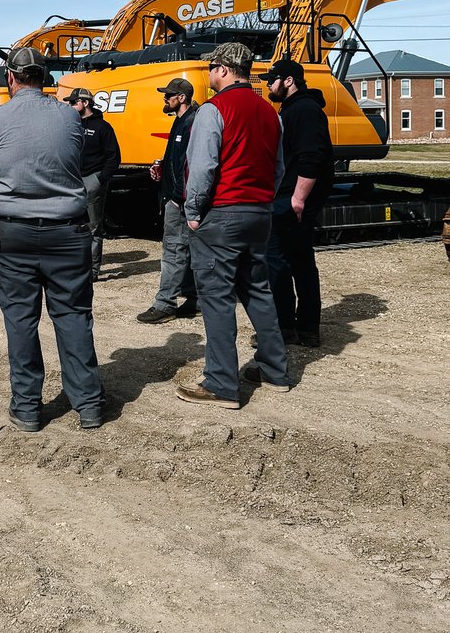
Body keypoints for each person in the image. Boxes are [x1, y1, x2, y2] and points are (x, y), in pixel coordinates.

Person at [0, 47, 105, 432]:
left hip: (12, 233)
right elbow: (73, 159)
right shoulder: (68, 114)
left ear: (10, 78)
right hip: (68, 232)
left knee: (20, 319)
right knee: (73, 317)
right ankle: (89, 406)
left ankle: (28, 408)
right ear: (44, 77)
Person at [178, 42, 290, 409]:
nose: (208, 75)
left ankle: (222, 384)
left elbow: (203, 166)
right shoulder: (270, 113)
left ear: (224, 69)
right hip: (259, 212)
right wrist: (263, 200)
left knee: (216, 297)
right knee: (257, 290)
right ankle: (275, 370)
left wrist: (193, 210)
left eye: (211, 68)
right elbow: (278, 168)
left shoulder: (214, 110)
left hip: (222, 213)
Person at [263, 59, 334, 349]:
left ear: (289, 80)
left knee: (280, 263)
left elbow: (311, 156)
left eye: (272, 79)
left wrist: (298, 198)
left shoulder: (304, 110)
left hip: (293, 200)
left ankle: (289, 328)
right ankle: (302, 329)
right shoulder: (294, 108)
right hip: (290, 197)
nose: (268, 84)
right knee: (299, 262)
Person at [137, 78, 200, 323]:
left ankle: (165, 304)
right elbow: (178, 159)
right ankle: (194, 299)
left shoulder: (191, 122)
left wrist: (177, 197)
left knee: (173, 250)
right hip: (177, 196)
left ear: (181, 98)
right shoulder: (181, 121)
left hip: (179, 200)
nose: (164, 99)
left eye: (168, 95)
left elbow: (192, 163)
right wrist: (162, 167)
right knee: (188, 250)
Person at [67, 87, 120, 281]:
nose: (71, 105)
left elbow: (114, 157)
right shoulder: (72, 125)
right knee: (72, 224)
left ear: (85, 103)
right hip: (72, 180)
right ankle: (77, 265)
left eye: (74, 102)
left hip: (92, 180)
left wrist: (99, 179)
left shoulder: (103, 127)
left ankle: (93, 270)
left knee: (93, 227)